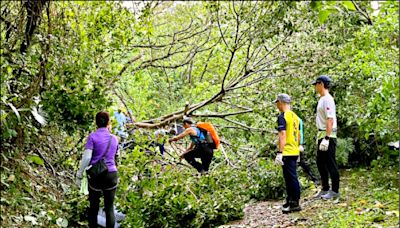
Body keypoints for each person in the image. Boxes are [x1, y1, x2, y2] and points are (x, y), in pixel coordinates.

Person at [76, 111, 119, 228]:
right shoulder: (114, 138)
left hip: (96, 176)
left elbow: (87, 157)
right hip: (111, 174)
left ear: (96, 123)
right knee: (109, 207)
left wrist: (79, 174)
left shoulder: (92, 137)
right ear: (108, 122)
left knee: (94, 207)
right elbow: (116, 157)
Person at [312, 75, 340, 200]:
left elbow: (330, 118)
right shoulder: (322, 99)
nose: (315, 86)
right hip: (321, 133)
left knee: (330, 163)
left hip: (328, 134)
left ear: (321, 84)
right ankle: (324, 189)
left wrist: (327, 138)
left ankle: (335, 190)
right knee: (320, 163)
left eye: (316, 84)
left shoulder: (328, 99)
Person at [274, 93, 301, 213]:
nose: (276, 105)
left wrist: (280, 152)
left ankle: (295, 203)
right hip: (294, 149)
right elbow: (298, 134)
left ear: (280, 102)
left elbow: (282, 134)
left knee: (291, 178)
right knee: (290, 177)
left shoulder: (283, 116)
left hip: (287, 151)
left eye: (277, 102)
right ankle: (290, 200)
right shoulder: (295, 116)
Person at [298, 118, 320, 185]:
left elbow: (300, 131)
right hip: (291, 146)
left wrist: (300, 143)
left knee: (302, 163)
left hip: (296, 145)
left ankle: (314, 178)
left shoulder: (297, 119)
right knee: (301, 163)